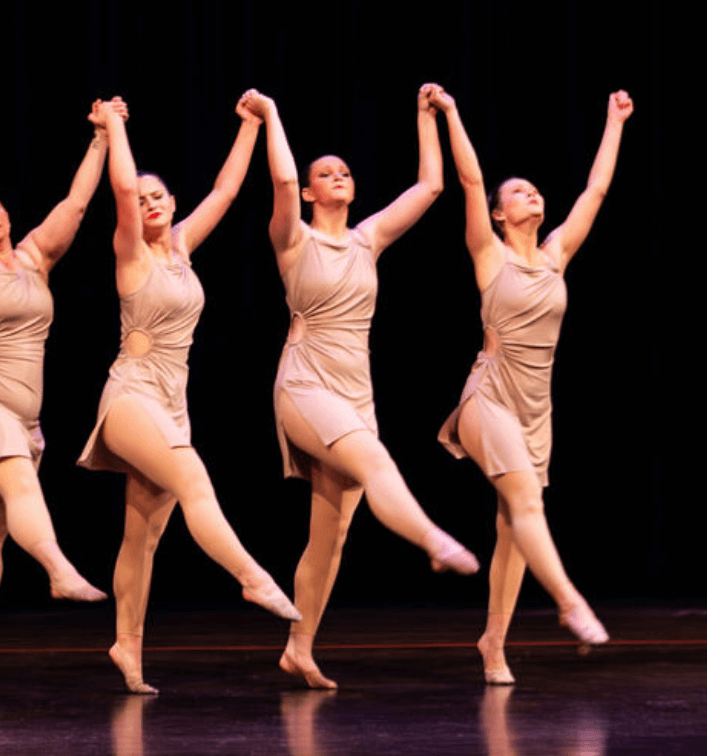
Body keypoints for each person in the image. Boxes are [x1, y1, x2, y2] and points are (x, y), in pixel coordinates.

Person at [243, 86, 480, 691]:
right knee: (375, 462)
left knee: (331, 536)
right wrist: (272, 114)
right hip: (305, 383)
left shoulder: (368, 239)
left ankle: (298, 650)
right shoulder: (293, 238)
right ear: (308, 192)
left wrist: (427, 116)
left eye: (345, 171)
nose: (338, 177)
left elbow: (430, 186)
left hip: (355, 391)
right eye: (325, 173)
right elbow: (280, 178)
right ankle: (432, 538)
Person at [78, 91, 301, 695]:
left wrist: (250, 125)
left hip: (172, 403)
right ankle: (251, 576)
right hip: (130, 395)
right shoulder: (130, 251)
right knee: (195, 482)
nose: (149, 202)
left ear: (172, 204)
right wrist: (115, 126)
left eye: (159, 196)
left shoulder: (180, 247)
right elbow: (121, 188)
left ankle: (127, 645)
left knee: (143, 536)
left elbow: (226, 191)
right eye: (141, 198)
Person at [431, 84, 634, 684]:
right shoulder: (488, 254)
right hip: (489, 394)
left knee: (513, 531)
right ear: (499, 214)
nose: (533, 194)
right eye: (518, 191)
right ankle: (570, 601)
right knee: (527, 504)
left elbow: (596, 190)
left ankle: (493, 643)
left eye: (536, 189)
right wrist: (452, 113)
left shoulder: (555, 254)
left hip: (535, 407)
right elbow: (470, 181)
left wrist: (615, 121)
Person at [0, 74, 115, 695]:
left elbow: (77, 205)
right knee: (18, 482)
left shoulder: (36, 258)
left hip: (22, 420)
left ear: (9, 215)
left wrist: (100, 138)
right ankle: (58, 567)